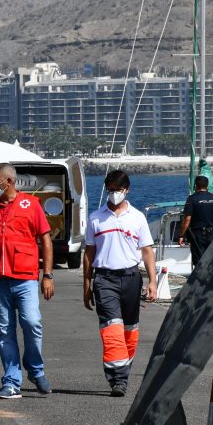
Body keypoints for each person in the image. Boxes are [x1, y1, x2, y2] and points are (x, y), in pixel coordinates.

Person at [0, 162, 54, 400]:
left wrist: (47, 275)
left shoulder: (31, 205)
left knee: (31, 322)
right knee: (4, 332)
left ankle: (35, 369)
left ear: (8, 181)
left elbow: (46, 240)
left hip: (26, 278)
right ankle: (11, 380)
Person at [83, 170, 158, 397]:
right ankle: (119, 380)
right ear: (107, 189)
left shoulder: (137, 218)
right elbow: (89, 253)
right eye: (111, 189)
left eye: (119, 190)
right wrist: (87, 283)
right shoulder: (96, 218)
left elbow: (147, 252)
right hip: (105, 279)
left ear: (127, 190)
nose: (115, 194)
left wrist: (152, 282)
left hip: (131, 278)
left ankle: (121, 372)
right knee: (111, 328)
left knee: (129, 331)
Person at [176, 175, 213, 267]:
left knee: (199, 262)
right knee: (211, 261)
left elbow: (187, 219)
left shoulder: (192, 199)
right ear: (207, 186)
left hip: (199, 236)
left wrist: (181, 235)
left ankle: (200, 280)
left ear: (196, 186)